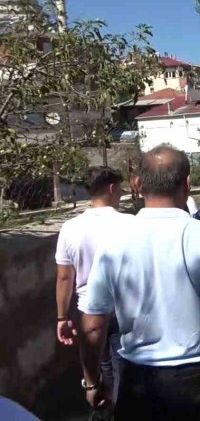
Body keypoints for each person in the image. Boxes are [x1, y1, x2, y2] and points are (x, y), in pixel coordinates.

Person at [79, 146, 200, 421]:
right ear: (186, 185)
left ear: (138, 185)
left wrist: (92, 380)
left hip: (138, 383)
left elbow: (92, 325)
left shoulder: (113, 243)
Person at [55, 166, 130, 401]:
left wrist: (61, 317)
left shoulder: (69, 228)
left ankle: (104, 401)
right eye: (119, 188)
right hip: (124, 306)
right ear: (111, 188)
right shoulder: (129, 223)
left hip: (88, 309)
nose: (121, 193)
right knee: (125, 365)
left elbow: (65, 277)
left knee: (102, 364)